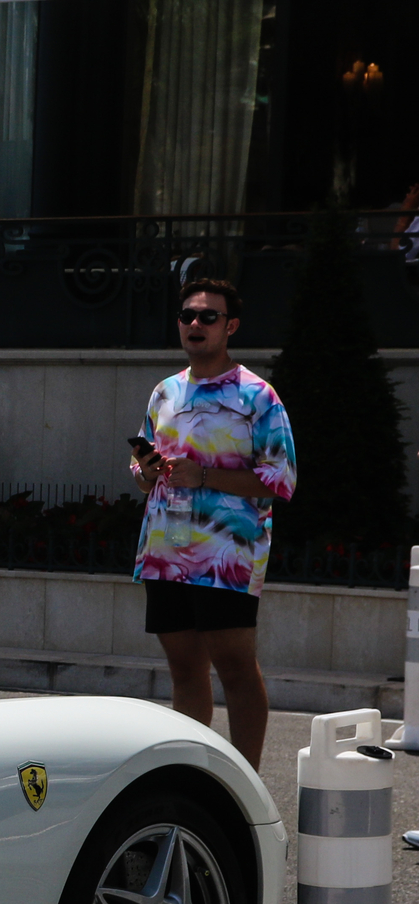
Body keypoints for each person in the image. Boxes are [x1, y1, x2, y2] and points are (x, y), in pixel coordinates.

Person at [128, 277, 296, 767]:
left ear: (231, 326)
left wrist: (205, 475)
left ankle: (247, 787)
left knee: (236, 668)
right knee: (183, 670)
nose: (196, 324)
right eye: (188, 316)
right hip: (165, 550)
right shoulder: (165, 392)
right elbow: (141, 472)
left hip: (226, 556)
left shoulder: (257, 396)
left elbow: (279, 481)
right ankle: (194, 781)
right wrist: (148, 473)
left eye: (209, 316)